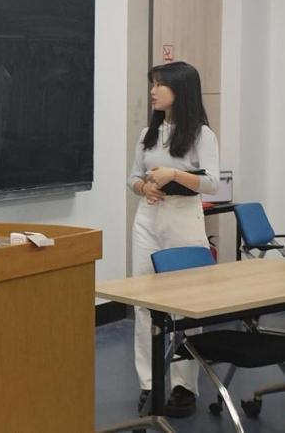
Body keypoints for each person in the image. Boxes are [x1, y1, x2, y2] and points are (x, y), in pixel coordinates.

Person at [128, 61, 219, 418]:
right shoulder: (147, 134)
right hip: (148, 220)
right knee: (143, 301)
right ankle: (149, 382)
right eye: (152, 84)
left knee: (186, 303)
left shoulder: (201, 134)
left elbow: (211, 182)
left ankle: (184, 386)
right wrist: (144, 187)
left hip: (184, 220)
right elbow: (133, 177)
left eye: (160, 85)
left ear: (181, 90)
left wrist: (174, 174)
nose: (153, 91)